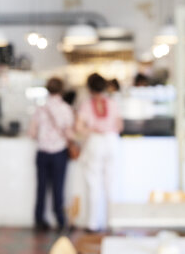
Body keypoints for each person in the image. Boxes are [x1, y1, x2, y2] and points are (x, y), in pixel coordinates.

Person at [76, 73, 123, 232]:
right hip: (111, 141)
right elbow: (119, 125)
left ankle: (92, 224)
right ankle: (113, 221)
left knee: (93, 183)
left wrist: (91, 129)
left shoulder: (86, 105)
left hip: (95, 141)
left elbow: (79, 127)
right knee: (111, 184)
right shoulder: (113, 102)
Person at [28, 77, 74, 232]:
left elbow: (32, 133)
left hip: (42, 152)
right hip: (59, 153)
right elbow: (69, 134)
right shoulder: (66, 109)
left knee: (41, 188)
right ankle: (60, 221)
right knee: (58, 188)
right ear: (62, 90)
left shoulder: (39, 108)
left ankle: (39, 219)